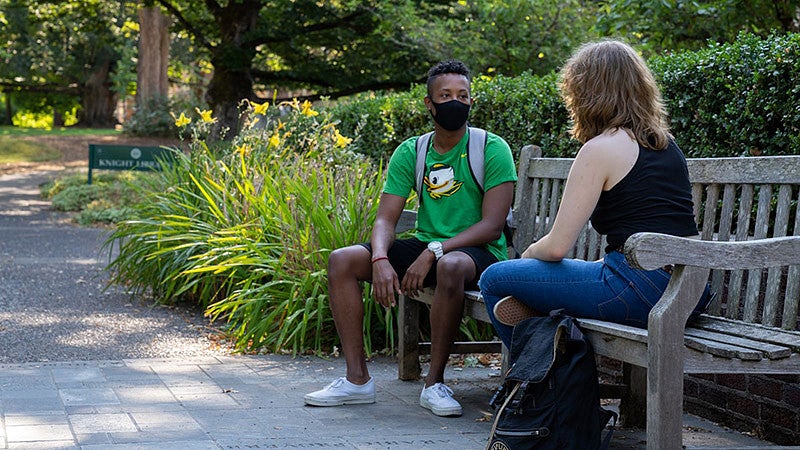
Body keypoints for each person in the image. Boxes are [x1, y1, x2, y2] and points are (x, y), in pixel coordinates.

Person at [304, 60, 517, 416]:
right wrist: (380, 258)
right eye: (445, 95)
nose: (456, 102)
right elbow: (385, 219)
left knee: (449, 264)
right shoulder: (413, 151)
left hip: (478, 253)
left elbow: (492, 226)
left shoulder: (491, 148)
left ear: (471, 101)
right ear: (428, 104)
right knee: (342, 259)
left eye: (463, 95)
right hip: (428, 248)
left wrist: (434, 251)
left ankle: (434, 384)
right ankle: (357, 380)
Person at [478, 40, 711, 347]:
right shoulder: (665, 144)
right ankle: (553, 330)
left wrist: (527, 255)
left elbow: (557, 248)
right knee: (556, 287)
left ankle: (545, 384)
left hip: (640, 290)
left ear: (587, 93)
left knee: (494, 279)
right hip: (690, 291)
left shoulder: (599, 149)